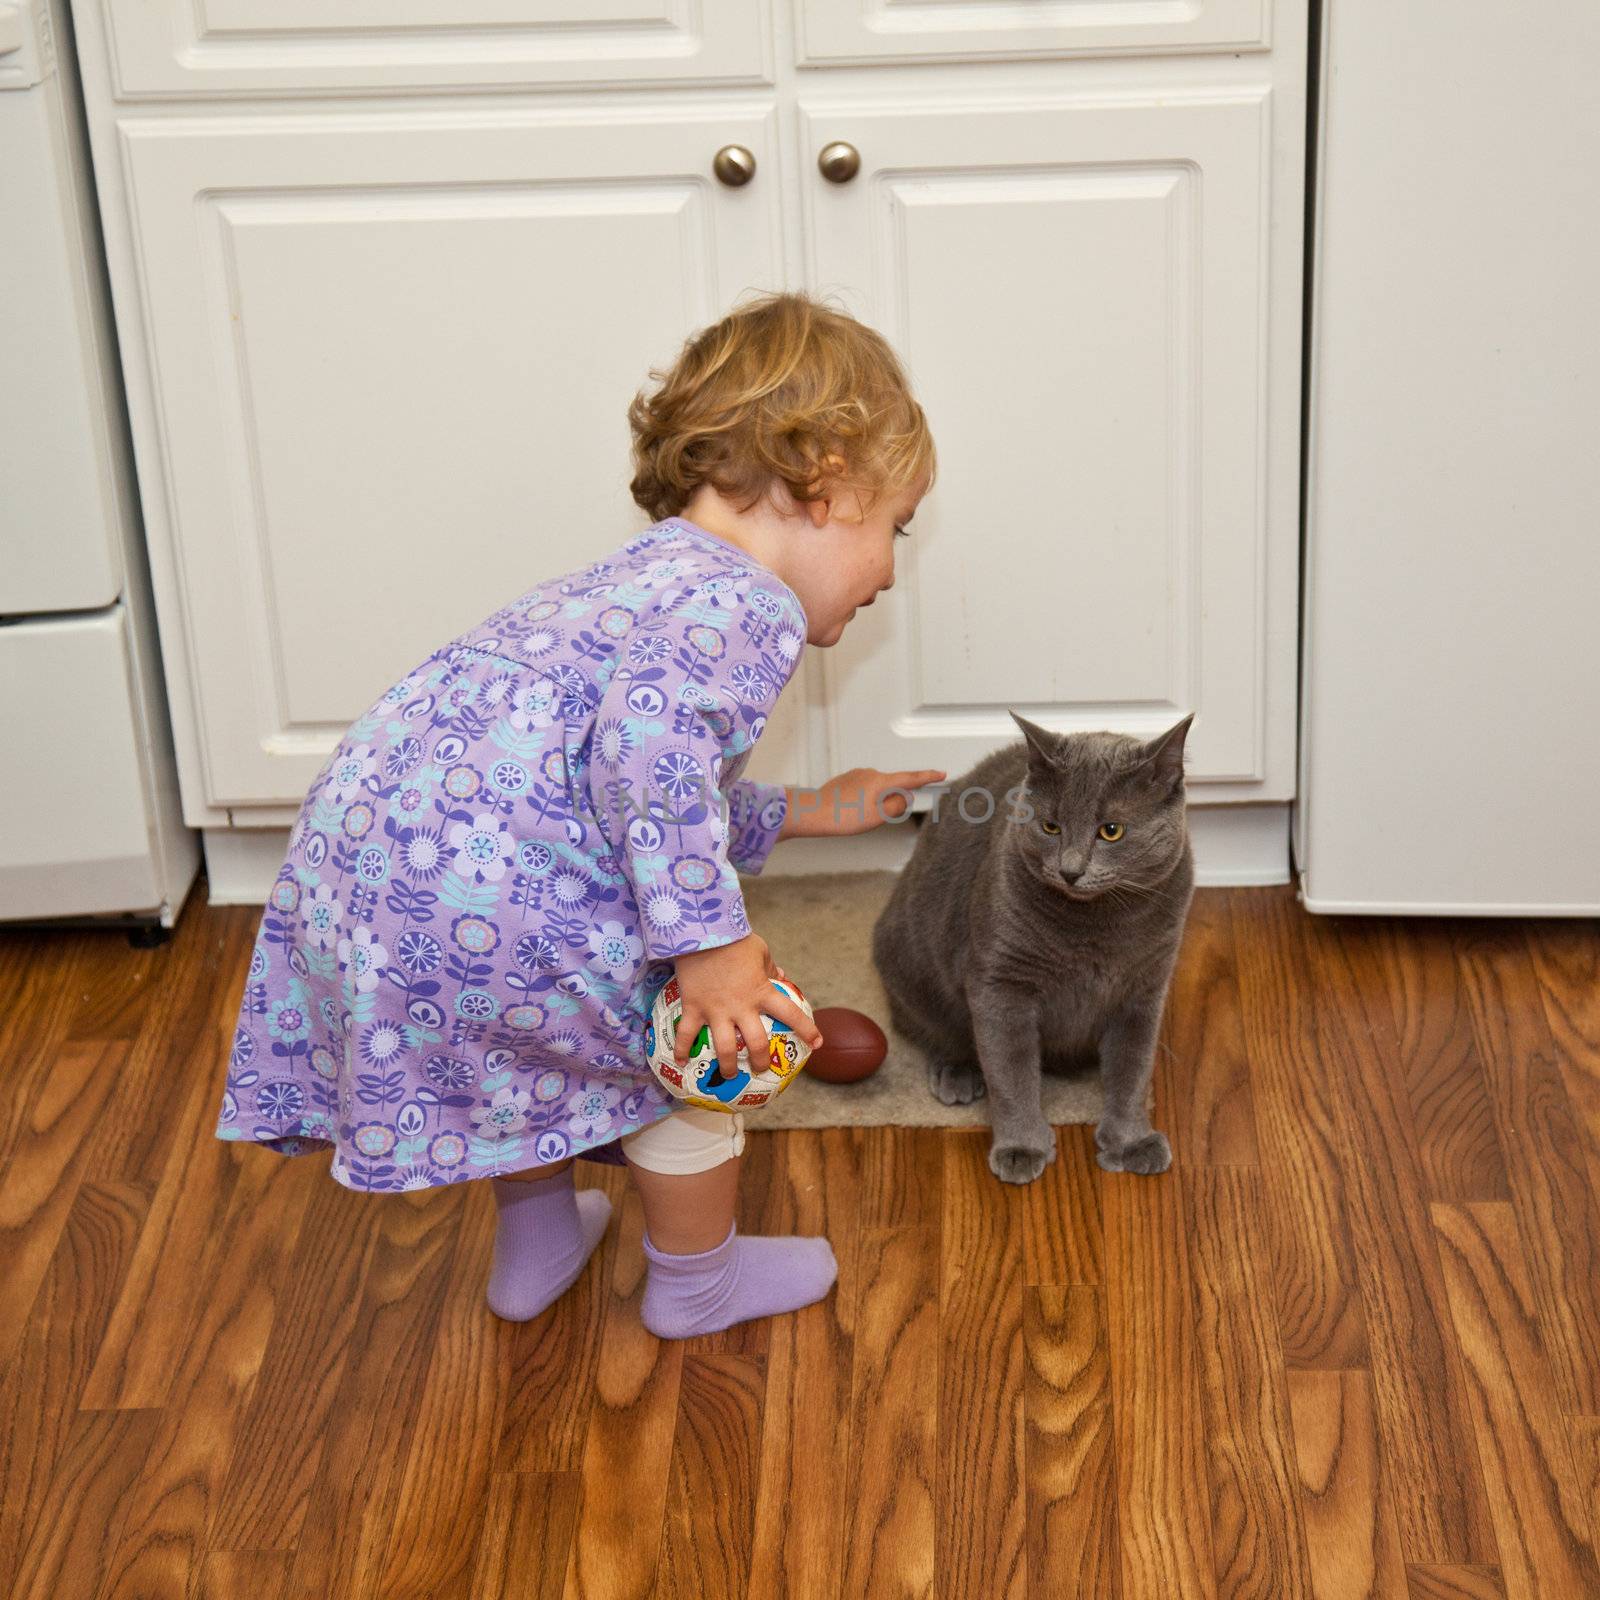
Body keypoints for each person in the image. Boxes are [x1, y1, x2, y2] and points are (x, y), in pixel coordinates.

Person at [215, 289, 943, 1339]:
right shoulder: (744, 602)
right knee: (685, 1060)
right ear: (824, 485)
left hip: (381, 870)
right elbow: (647, 768)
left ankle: (540, 1242)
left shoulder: (637, 582)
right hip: (509, 894)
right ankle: (698, 1283)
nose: (890, 568)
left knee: (519, 1049)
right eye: (896, 526)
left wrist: (802, 813)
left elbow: (607, 793)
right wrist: (713, 948)